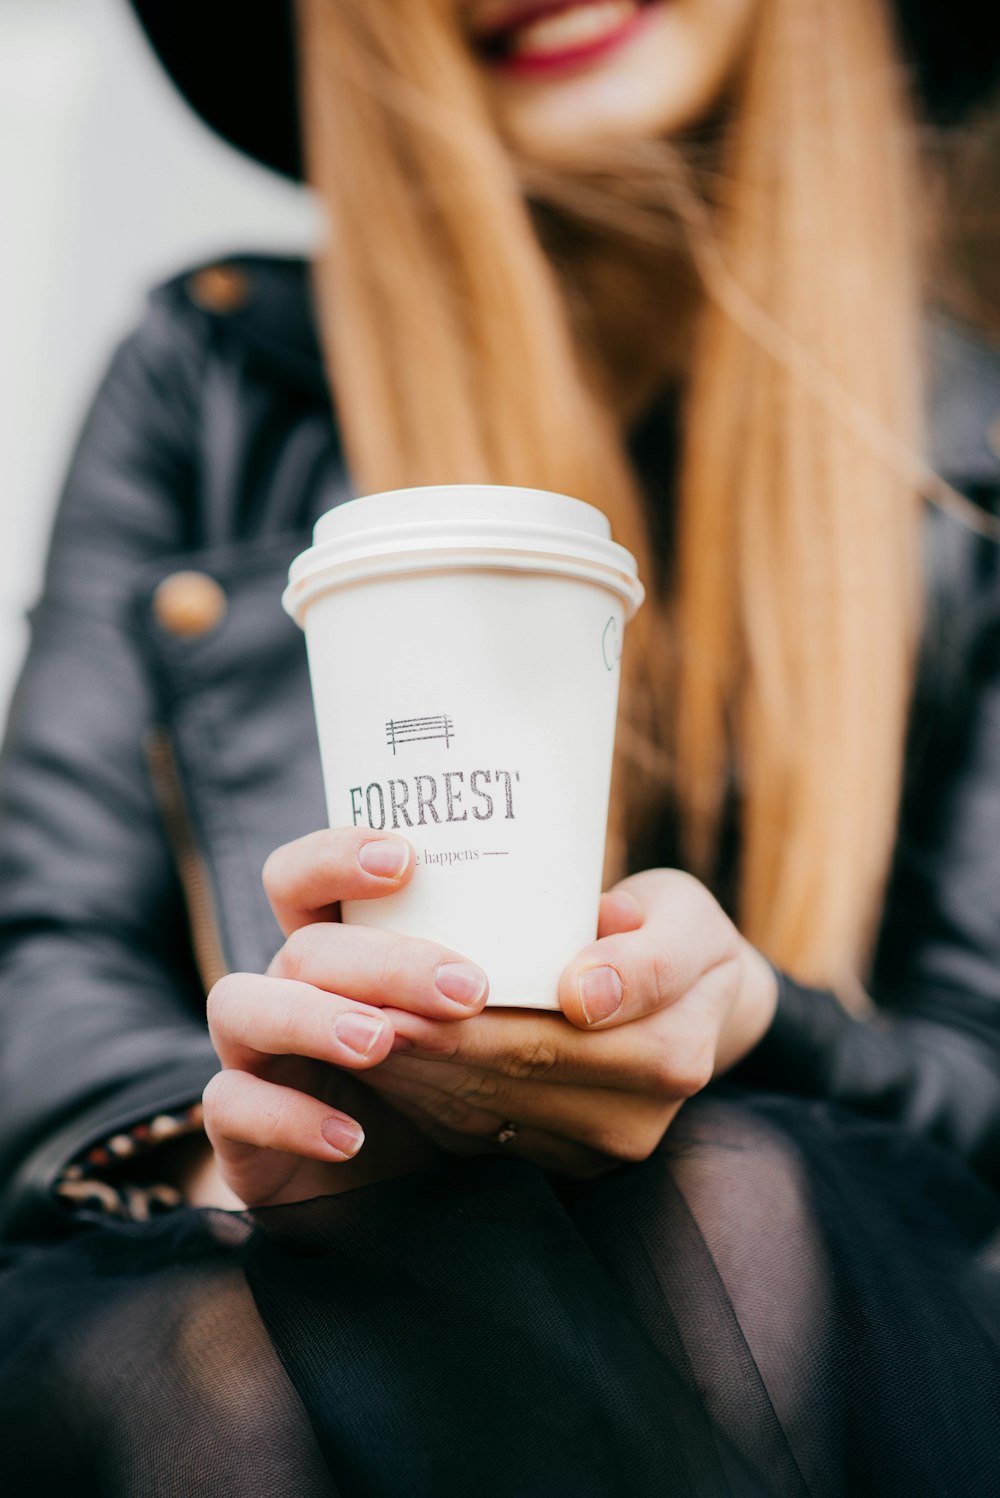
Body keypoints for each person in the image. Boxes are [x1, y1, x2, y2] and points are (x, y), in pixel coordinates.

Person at [1, 0, 999, 1492]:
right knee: (234, 1348)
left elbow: (976, 1076)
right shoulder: (205, 376)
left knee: (729, 1206)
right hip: (247, 1247)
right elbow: (45, 969)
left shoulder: (970, 467)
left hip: (859, 1295)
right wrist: (258, 1141)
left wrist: (753, 1022)